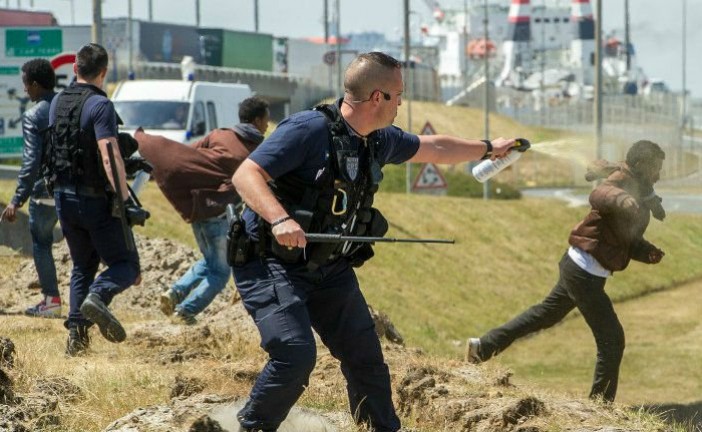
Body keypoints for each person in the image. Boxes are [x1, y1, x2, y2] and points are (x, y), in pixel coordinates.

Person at [230, 51, 518, 432]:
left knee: (366, 360)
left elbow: (435, 147)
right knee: (296, 356)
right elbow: (246, 174)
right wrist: (279, 218)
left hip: (328, 268)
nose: (402, 103)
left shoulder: (377, 139)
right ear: (378, 97)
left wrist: (487, 147)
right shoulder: (307, 130)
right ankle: (251, 426)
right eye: (398, 95)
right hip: (271, 262)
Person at [467, 140, 667, 403]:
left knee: (544, 315)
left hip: (581, 267)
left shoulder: (639, 188)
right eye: (656, 168)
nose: (658, 175)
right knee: (612, 339)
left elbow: (624, 238)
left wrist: (647, 252)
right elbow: (599, 195)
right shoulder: (621, 181)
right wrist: (623, 198)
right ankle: (600, 405)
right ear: (641, 165)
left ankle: (482, 347)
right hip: (584, 271)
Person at [133, 96, 270, 324]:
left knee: (210, 261)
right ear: (257, 121)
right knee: (220, 273)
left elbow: (191, 156)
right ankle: (186, 311)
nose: (268, 124)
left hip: (198, 206)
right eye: (266, 120)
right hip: (218, 214)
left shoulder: (220, 134)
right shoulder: (257, 152)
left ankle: (175, 292)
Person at [46, 43, 141, 356]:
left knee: (82, 265)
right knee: (125, 265)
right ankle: (98, 297)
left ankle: (76, 340)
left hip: (62, 197)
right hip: (94, 200)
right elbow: (109, 153)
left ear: (75, 68)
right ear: (104, 71)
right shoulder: (101, 106)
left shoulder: (58, 101)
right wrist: (125, 199)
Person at [0, 59, 60, 318]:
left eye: (25, 84)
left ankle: (51, 300)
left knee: (42, 243)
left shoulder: (33, 115)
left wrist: (17, 199)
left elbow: (31, 161)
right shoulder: (66, 106)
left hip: (45, 192)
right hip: (74, 189)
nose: (24, 90)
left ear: (35, 85)